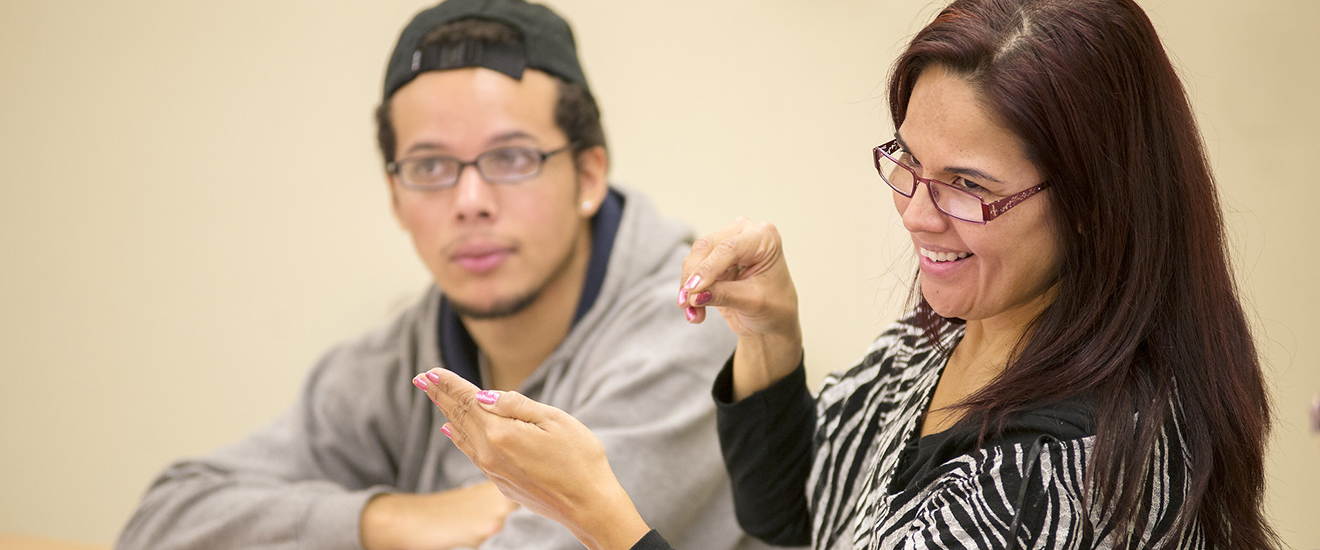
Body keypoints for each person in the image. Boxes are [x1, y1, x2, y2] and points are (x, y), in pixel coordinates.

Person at [414, 0, 1280, 549]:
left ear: (1095, 199)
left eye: (968, 188)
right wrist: (769, 331)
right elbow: (791, 514)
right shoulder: (945, 335)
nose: (915, 213)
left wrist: (596, 512)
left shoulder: (1079, 466)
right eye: (905, 164)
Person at [116, 1, 775, 550]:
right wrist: (394, 519)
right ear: (396, 197)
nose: (469, 201)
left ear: (589, 175)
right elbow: (164, 522)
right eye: (430, 167)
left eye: (511, 157)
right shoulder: (398, 357)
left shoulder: (689, 332)